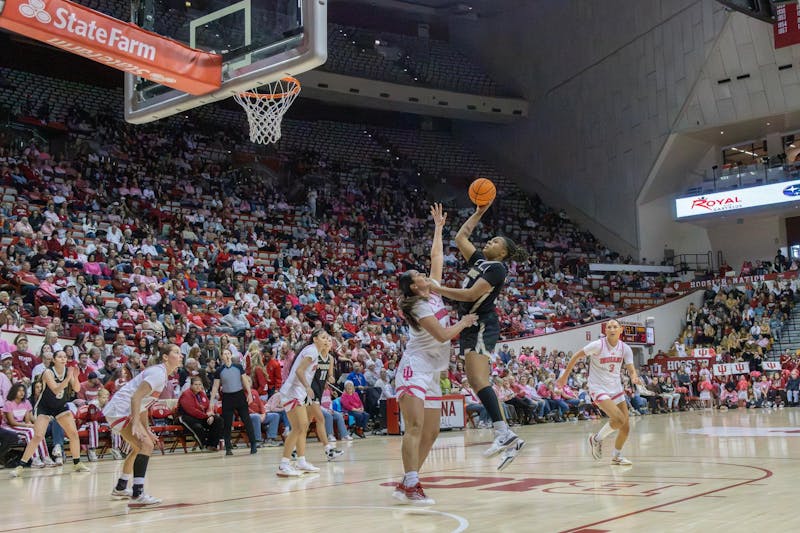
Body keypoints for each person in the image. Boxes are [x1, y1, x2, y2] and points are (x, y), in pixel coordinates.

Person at [429, 200, 528, 468]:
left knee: (478, 380)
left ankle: (504, 433)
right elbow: (461, 237)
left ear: (504, 253)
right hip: (470, 323)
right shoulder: (481, 261)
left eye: (496, 241)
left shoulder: (497, 268)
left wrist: (437, 289)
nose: (490, 242)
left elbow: (472, 294)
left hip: (482, 322)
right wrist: (478, 212)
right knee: (475, 380)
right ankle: (505, 435)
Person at [393, 203, 479, 505]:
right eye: (421, 277)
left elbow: (436, 257)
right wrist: (464, 322)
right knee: (415, 427)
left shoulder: (434, 290)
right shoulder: (417, 306)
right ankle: (413, 483)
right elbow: (443, 335)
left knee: (432, 431)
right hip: (413, 368)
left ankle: (408, 480)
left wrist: (439, 228)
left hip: (432, 372)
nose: (426, 277)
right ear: (414, 287)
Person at [102, 344, 183, 507]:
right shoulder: (158, 374)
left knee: (140, 446)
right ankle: (138, 493)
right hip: (121, 409)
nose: (181, 355)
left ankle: (121, 486)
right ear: (166, 357)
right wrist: (136, 424)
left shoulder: (162, 375)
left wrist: (146, 429)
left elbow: (144, 405)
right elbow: (135, 398)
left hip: (121, 410)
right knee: (145, 445)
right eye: (177, 352)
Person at [557, 320, 640, 466]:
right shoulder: (597, 345)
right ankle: (596, 439)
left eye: (615, 327)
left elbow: (630, 367)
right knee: (619, 419)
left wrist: (633, 376)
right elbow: (576, 356)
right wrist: (564, 376)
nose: (612, 329)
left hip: (616, 388)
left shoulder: (625, 348)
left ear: (621, 330)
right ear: (605, 331)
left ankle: (617, 456)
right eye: (609, 327)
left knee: (625, 427)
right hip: (598, 388)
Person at [9, 350, 89, 478]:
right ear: (54, 360)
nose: (63, 359)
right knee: (38, 436)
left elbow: (77, 389)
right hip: (44, 407)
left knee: (73, 434)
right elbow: (56, 389)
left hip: (60, 406)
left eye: (65, 357)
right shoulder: (48, 372)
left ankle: (77, 462)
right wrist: (69, 377)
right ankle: (20, 466)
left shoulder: (68, 370)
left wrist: (76, 376)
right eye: (60, 357)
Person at [276, 328, 330, 477]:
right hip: (292, 391)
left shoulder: (315, 352)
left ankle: (301, 461)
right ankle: (284, 464)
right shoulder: (312, 351)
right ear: (315, 339)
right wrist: (307, 387)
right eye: (323, 337)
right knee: (299, 427)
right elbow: (300, 371)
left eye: (327, 338)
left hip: (298, 393)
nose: (326, 340)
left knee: (303, 426)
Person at [209, 348, 258, 456]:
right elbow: (215, 386)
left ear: (231, 355)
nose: (226, 355)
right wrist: (211, 401)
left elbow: (245, 380)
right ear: (221, 357)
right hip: (227, 397)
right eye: (224, 353)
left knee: (247, 420)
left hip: (239, 395)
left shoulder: (238, 367)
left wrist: (249, 393)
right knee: (227, 423)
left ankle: (253, 444)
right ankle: (228, 447)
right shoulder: (219, 370)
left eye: (228, 353)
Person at [305, 333, 344, 462]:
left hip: (319, 392)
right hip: (310, 391)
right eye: (325, 340)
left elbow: (330, 376)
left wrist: (331, 378)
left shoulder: (331, 359)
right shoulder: (314, 356)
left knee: (307, 422)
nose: (327, 342)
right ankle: (328, 450)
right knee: (321, 419)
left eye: (329, 340)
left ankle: (294, 448)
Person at [178, 376, 224, 451]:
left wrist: (211, 416)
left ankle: (212, 445)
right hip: (186, 417)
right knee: (198, 427)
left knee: (218, 420)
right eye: (196, 384)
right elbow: (191, 410)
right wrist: (206, 416)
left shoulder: (202, 394)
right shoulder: (186, 394)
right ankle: (204, 445)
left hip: (201, 416)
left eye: (200, 384)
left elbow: (208, 406)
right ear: (191, 385)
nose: (198, 386)